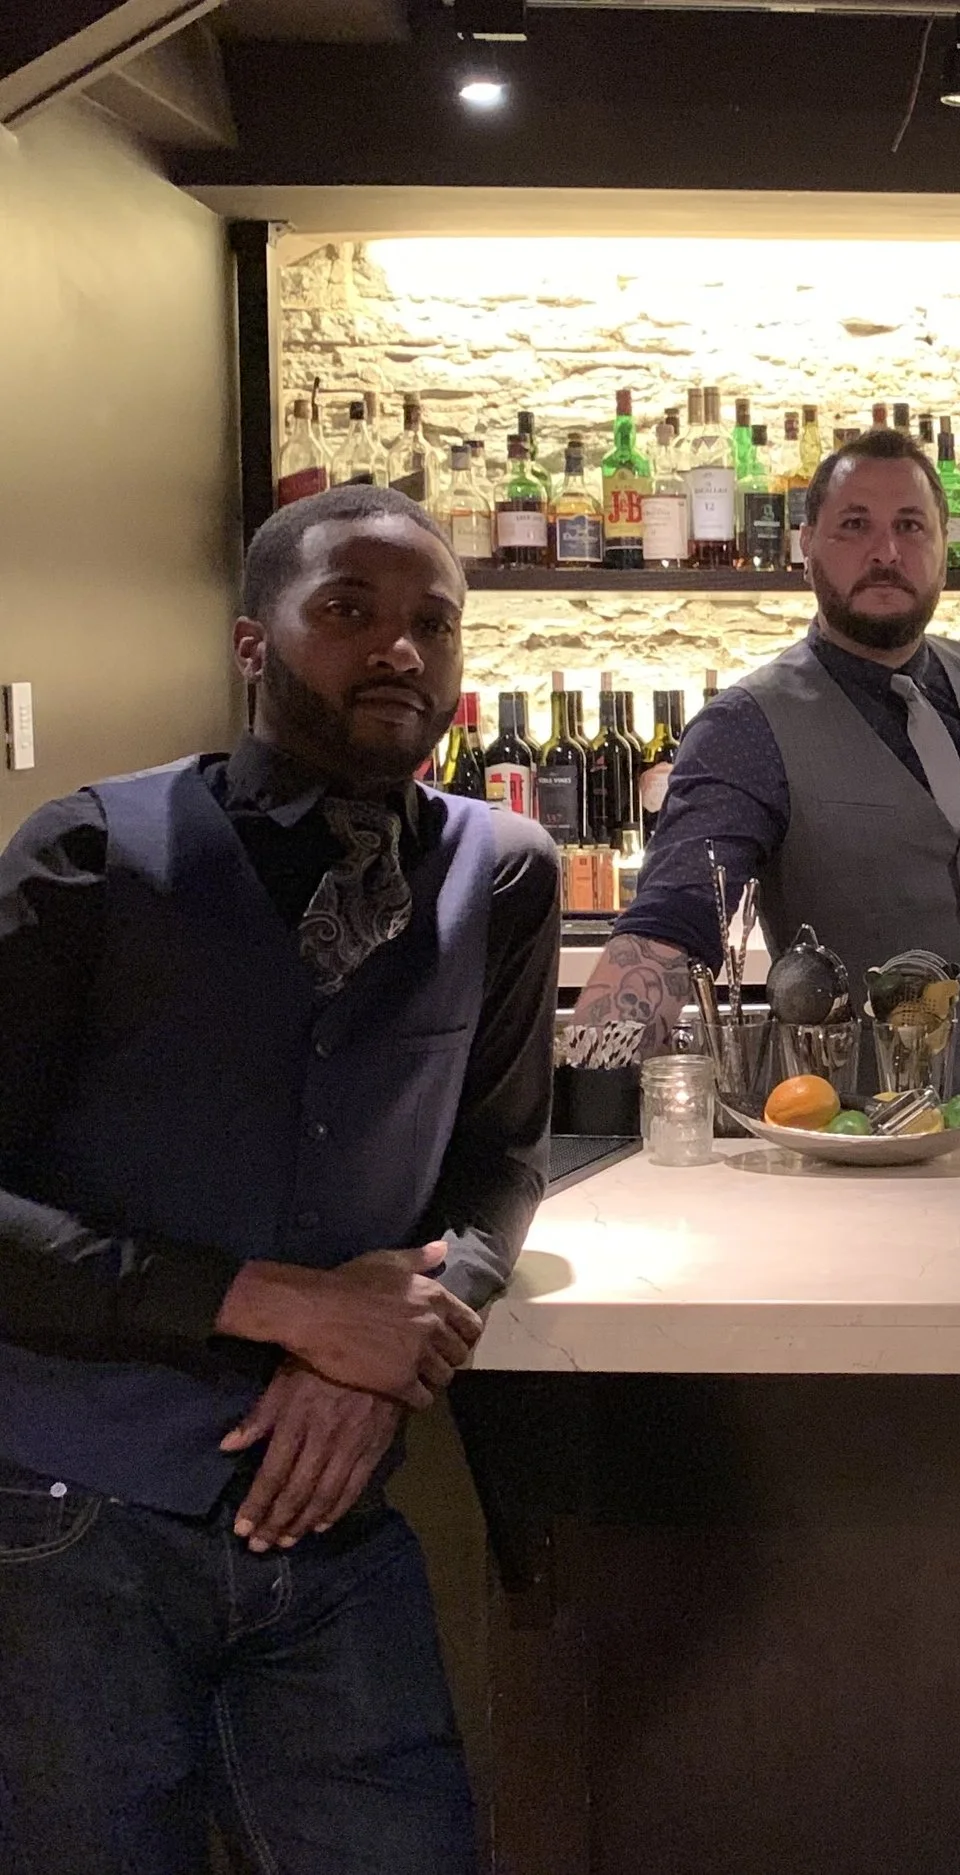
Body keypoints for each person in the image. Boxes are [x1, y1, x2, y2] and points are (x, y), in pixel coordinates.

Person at [0, 482, 558, 1871]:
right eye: (348, 612)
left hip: (339, 1529)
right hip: (73, 1524)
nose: (399, 651)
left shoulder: (502, 874)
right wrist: (279, 1303)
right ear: (255, 643)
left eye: (434, 622)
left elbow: (497, 1163)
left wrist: (394, 1341)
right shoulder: (88, 857)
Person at [575, 428, 960, 1136]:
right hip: (854, 1144)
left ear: (943, 545)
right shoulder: (746, 729)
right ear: (805, 544)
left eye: (910, 525)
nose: (886, 552)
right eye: (854, 526)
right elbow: (666, 930)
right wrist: (579, 1111)